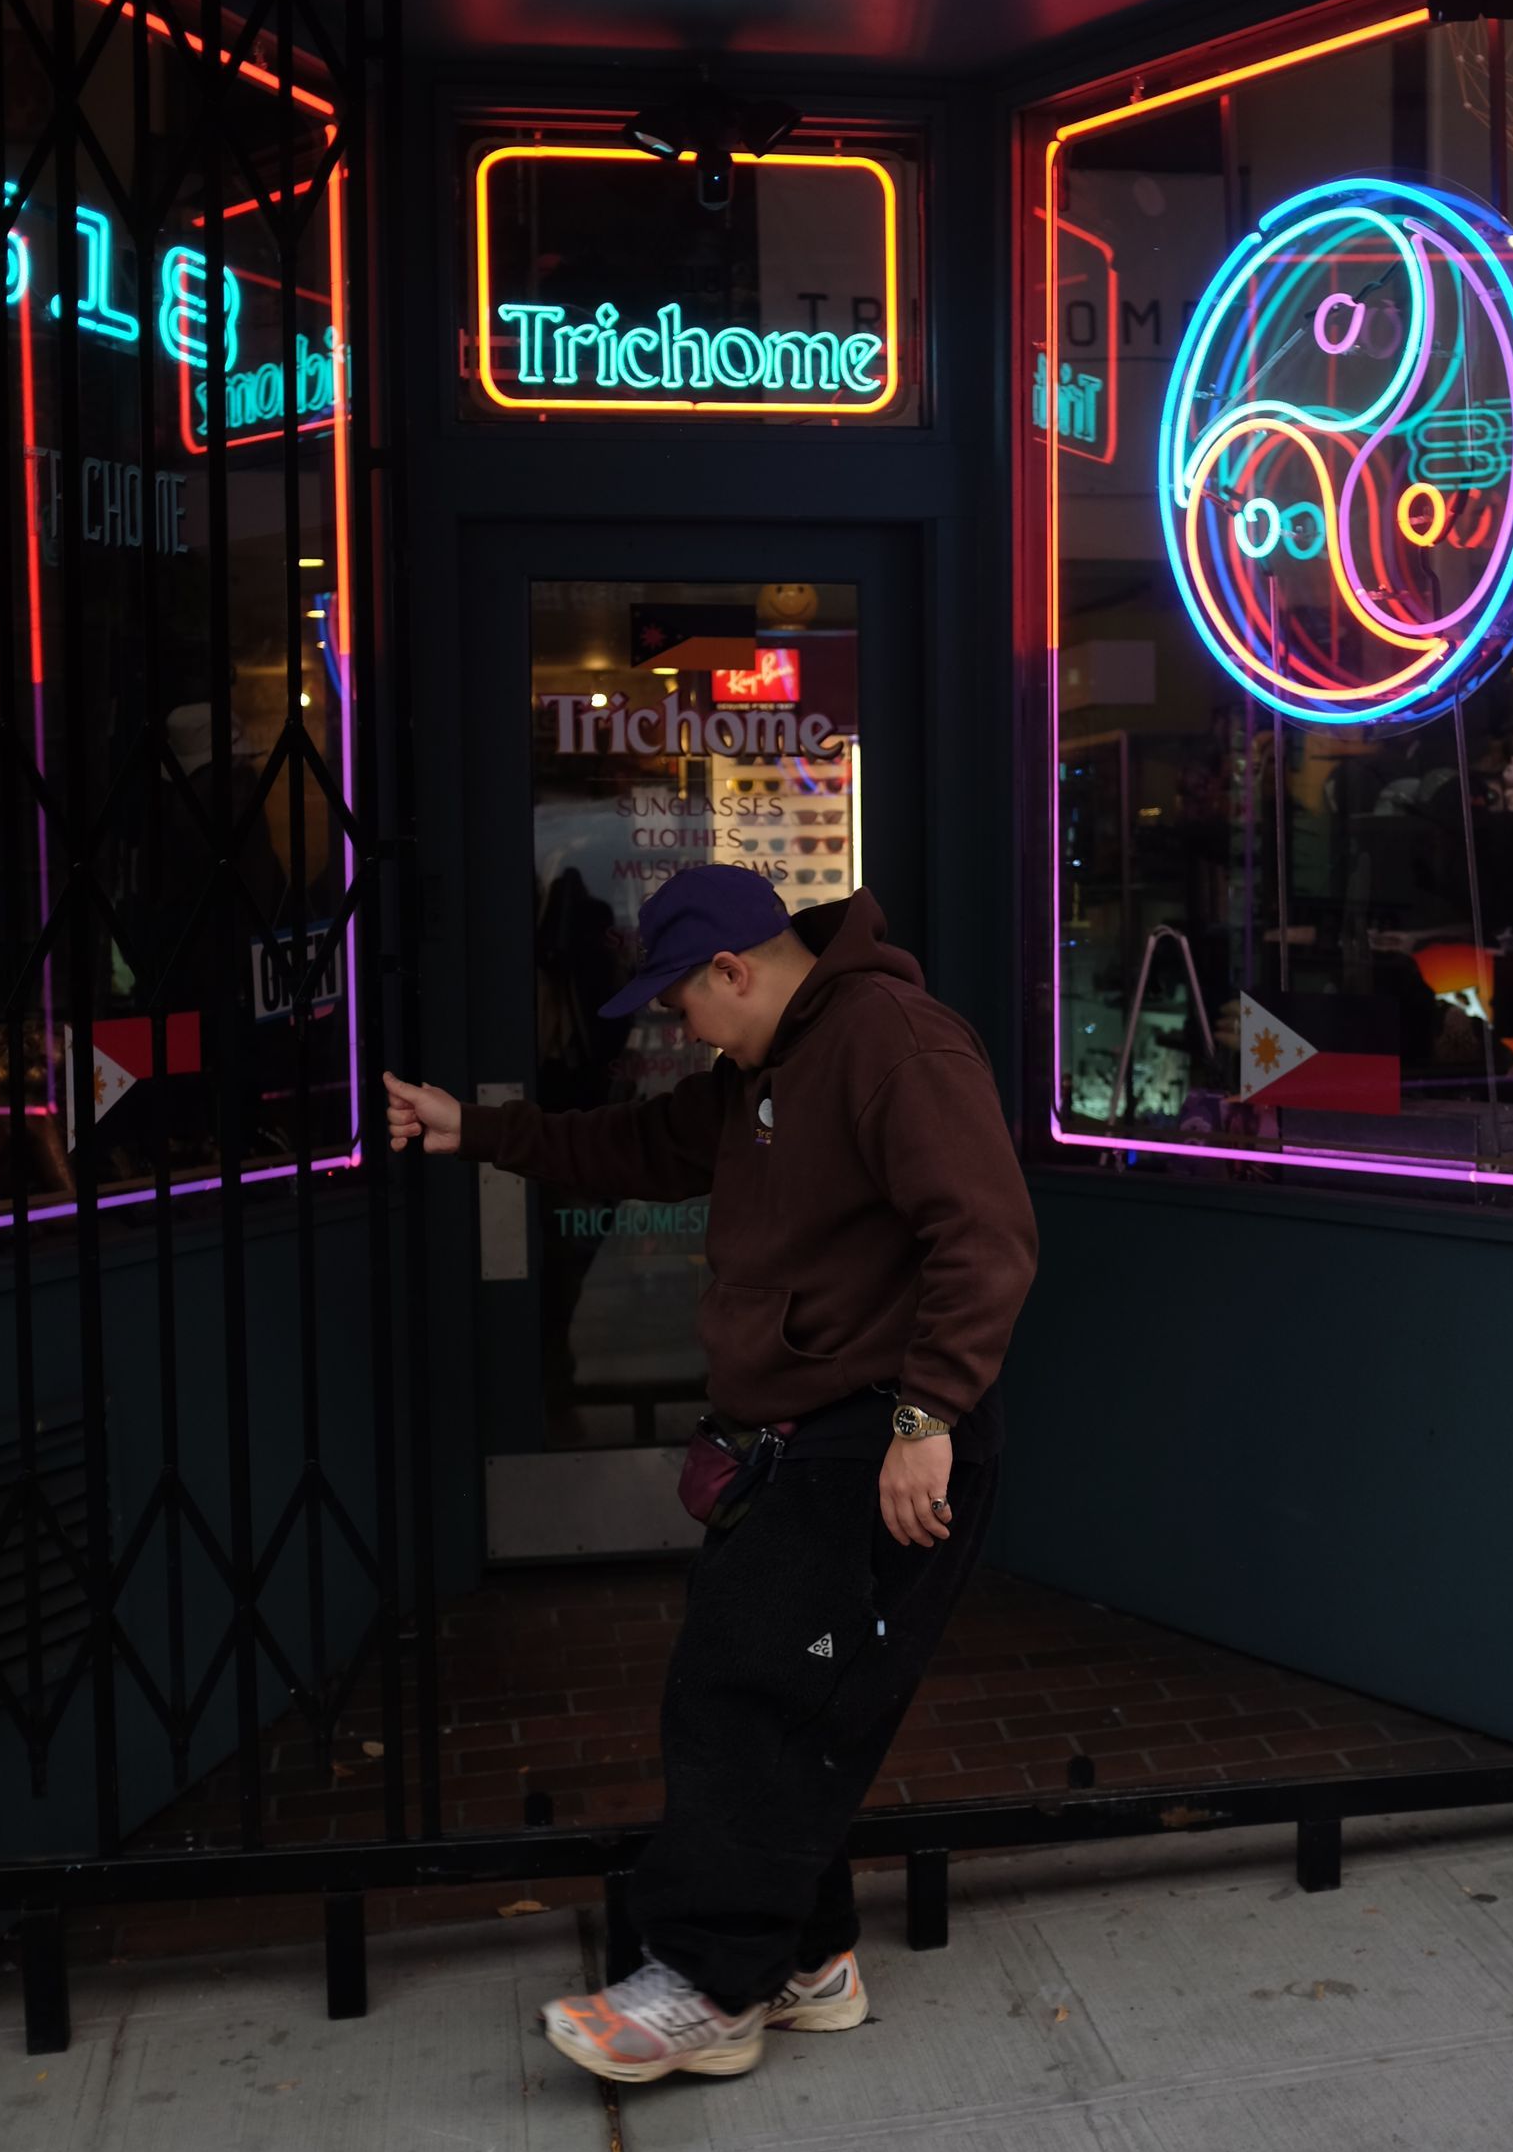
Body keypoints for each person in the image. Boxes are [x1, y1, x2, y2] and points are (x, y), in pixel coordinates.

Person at [383, 865, 1037, 2088]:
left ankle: (708, 1988)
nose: (682, 1031)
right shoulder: (764, 1068)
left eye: (684, 1005)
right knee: (785, 1701)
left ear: (737, 969)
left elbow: (986, 1232)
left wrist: (926, 1413)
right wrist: (476, 1130)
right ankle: (807, 1960)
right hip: (808, 1433)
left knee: (744, 1705)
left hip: (872, 1434)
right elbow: (636, 1144)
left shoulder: (892, 1043)